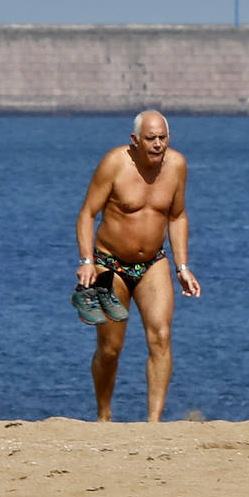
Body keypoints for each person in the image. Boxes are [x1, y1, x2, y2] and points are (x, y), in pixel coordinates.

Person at [74, 110, 201, 422]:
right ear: (134, 141)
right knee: (110, 350)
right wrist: (87, 261)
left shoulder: (177, 166)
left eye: (162, 138)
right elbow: (87, 213)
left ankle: (154, 423)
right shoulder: (115, 164)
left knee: (161, 335)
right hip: (110, 264)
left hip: (153, 263)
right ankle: (104, 415)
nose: (158, 145)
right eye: (150, 139)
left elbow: (177, 215)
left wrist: (182, 266)